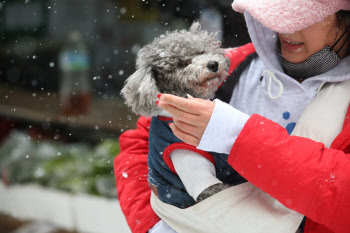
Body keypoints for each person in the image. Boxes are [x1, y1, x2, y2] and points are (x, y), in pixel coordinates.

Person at [114, 0, 350, 233]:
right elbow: (141, 144)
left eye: (304, 17)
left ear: (346, 18)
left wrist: (238, 135)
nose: (286, 28)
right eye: (278, 14)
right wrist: (153, 225)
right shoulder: (231, 63)